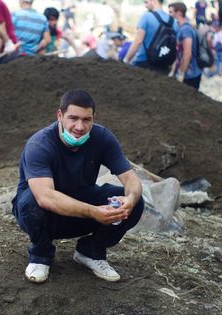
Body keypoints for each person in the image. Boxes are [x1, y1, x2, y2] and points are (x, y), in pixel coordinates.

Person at [12, 89, 144, 283]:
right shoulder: (40, 144)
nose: (80, 126)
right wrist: (93, 212)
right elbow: (45, 197)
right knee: (33, 203)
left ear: (93, 118)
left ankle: (91, 251)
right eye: (73, 118)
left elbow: (131, 179)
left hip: (81, 204)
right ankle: (41, 255)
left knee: (137, 201)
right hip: (44, 215)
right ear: (60, 115)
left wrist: (129, 201)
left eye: (86, 119)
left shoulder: (102, 138)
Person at [123, 0, 178, 74]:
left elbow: (138, 41)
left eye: (146, 1)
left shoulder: (146, 16)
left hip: (144, 63)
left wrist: (126, 59)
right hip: (164, 66)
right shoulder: (173, 21)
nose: (145, 4)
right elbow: (175, 46)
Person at [170, 2, 202, 90]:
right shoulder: (184, 28)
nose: (169, 15)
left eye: (171, 12)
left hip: (190, 75)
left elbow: (187, 53)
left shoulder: (186, 30)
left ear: (179, 13)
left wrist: (181, 73)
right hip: (189, 73)